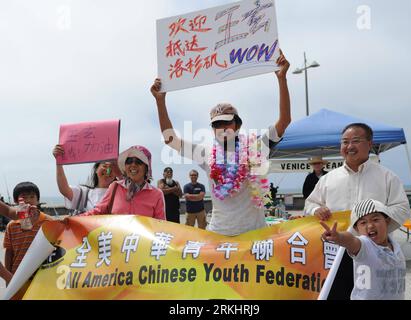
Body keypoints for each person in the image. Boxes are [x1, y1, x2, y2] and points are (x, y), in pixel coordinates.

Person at [151, 50, 291, 236]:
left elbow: (284, 122)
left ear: (237, 125)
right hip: (218, 235)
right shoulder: (205, 153)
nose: (223, 127)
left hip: (254, 235)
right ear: (212, 128)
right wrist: (160, 101)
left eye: (227, 122)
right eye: (217, 124)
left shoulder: (255, 148)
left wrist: (282, 79)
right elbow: (171, 140)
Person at [304, 123, 410, 225]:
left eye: (355, 141)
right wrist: (316, 210)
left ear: (369, 144)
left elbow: (402, 209)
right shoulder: (327, 179)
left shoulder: (387, 177)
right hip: (334, 241)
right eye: (345, 142)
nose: (350, 146)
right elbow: (310, 204)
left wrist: (377, 220)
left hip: (373, 242)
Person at [321, 199, 406, 300]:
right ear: (356, 229)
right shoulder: (365, 246)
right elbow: (351, 240)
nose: (370, 225)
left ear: (387, 221)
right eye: (363, 222)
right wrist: (338, 237)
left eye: (375, 220)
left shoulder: (396, 247)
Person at [80, 146, 165, 219]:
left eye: (138, 162)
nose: (133, 164)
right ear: (125, 166)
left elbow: (160, 224)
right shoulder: (115, 187)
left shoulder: (157, 194)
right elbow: (98, 211)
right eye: (129, 161)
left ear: (146, 168)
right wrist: (75, 219)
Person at [53, 144, 121, 214]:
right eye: (104, 166)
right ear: (96, 170)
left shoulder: (121, 193)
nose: (108, 171)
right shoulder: (85, 193)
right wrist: (59, 163)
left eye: (111, 168)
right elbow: (64, 190)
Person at [3, 182, 53, 276]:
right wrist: (8, 276)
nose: (28, 200)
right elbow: (9, 252)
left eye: (32, 197)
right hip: (18, 274)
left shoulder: (48, 221)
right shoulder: (12, 225)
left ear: (38, 200)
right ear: (16, 201)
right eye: (24, 197)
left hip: (42, 273)